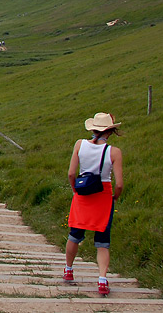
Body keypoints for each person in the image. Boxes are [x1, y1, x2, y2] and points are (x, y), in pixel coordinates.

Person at [64, 113, 123, 296]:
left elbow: (71, 174)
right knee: (103, 241)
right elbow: (119, 184)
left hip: (82, 192)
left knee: (75, 234)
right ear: (110, 131)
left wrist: (75, 190)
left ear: (92, 129)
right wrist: (114, 197)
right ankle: (102, 279)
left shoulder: (80, 145)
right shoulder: (114, 152)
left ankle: (68, 270)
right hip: (103, 194)